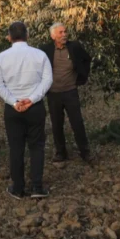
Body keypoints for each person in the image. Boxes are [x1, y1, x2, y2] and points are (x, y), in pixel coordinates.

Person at [0, 21, 54, 199]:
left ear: (9, 37)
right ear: (27, 35)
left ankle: (18, 187)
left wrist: (14, 101)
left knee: (16, 148)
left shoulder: (1, 58)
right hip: (35, 107)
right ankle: (37, 186)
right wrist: (32, 99)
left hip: (13, 109)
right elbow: (47, 80)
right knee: (37, 147)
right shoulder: (40, 55)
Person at [40, 23, 93, 163]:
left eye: (65, 32)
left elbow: (87, 59)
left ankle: (85, 152)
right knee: (56, 124)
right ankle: (61, 152)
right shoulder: (46, 50)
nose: (64, 35)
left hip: (70, 91)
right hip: (53, 93)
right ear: (53, 36)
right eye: (60, 32)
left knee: (77, 122)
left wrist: (81, 77)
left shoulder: (74, 47)